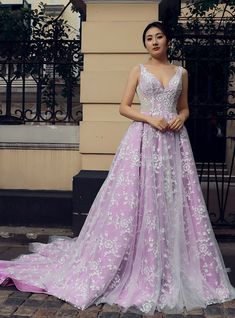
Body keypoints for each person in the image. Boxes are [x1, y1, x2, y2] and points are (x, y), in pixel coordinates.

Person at [0, 21, 235, 316]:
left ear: (168, 41)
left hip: (174, 143)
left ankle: (171, 261)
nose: (154, 42)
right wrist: (150, 119)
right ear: (145, 44)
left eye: (159, 36)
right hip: (144, 139)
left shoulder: (181, 73)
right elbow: (123, 107)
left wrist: (181, 117)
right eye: (149, 38)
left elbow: (185, 106)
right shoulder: (139, 70)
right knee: (138, 197)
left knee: (172, 198)